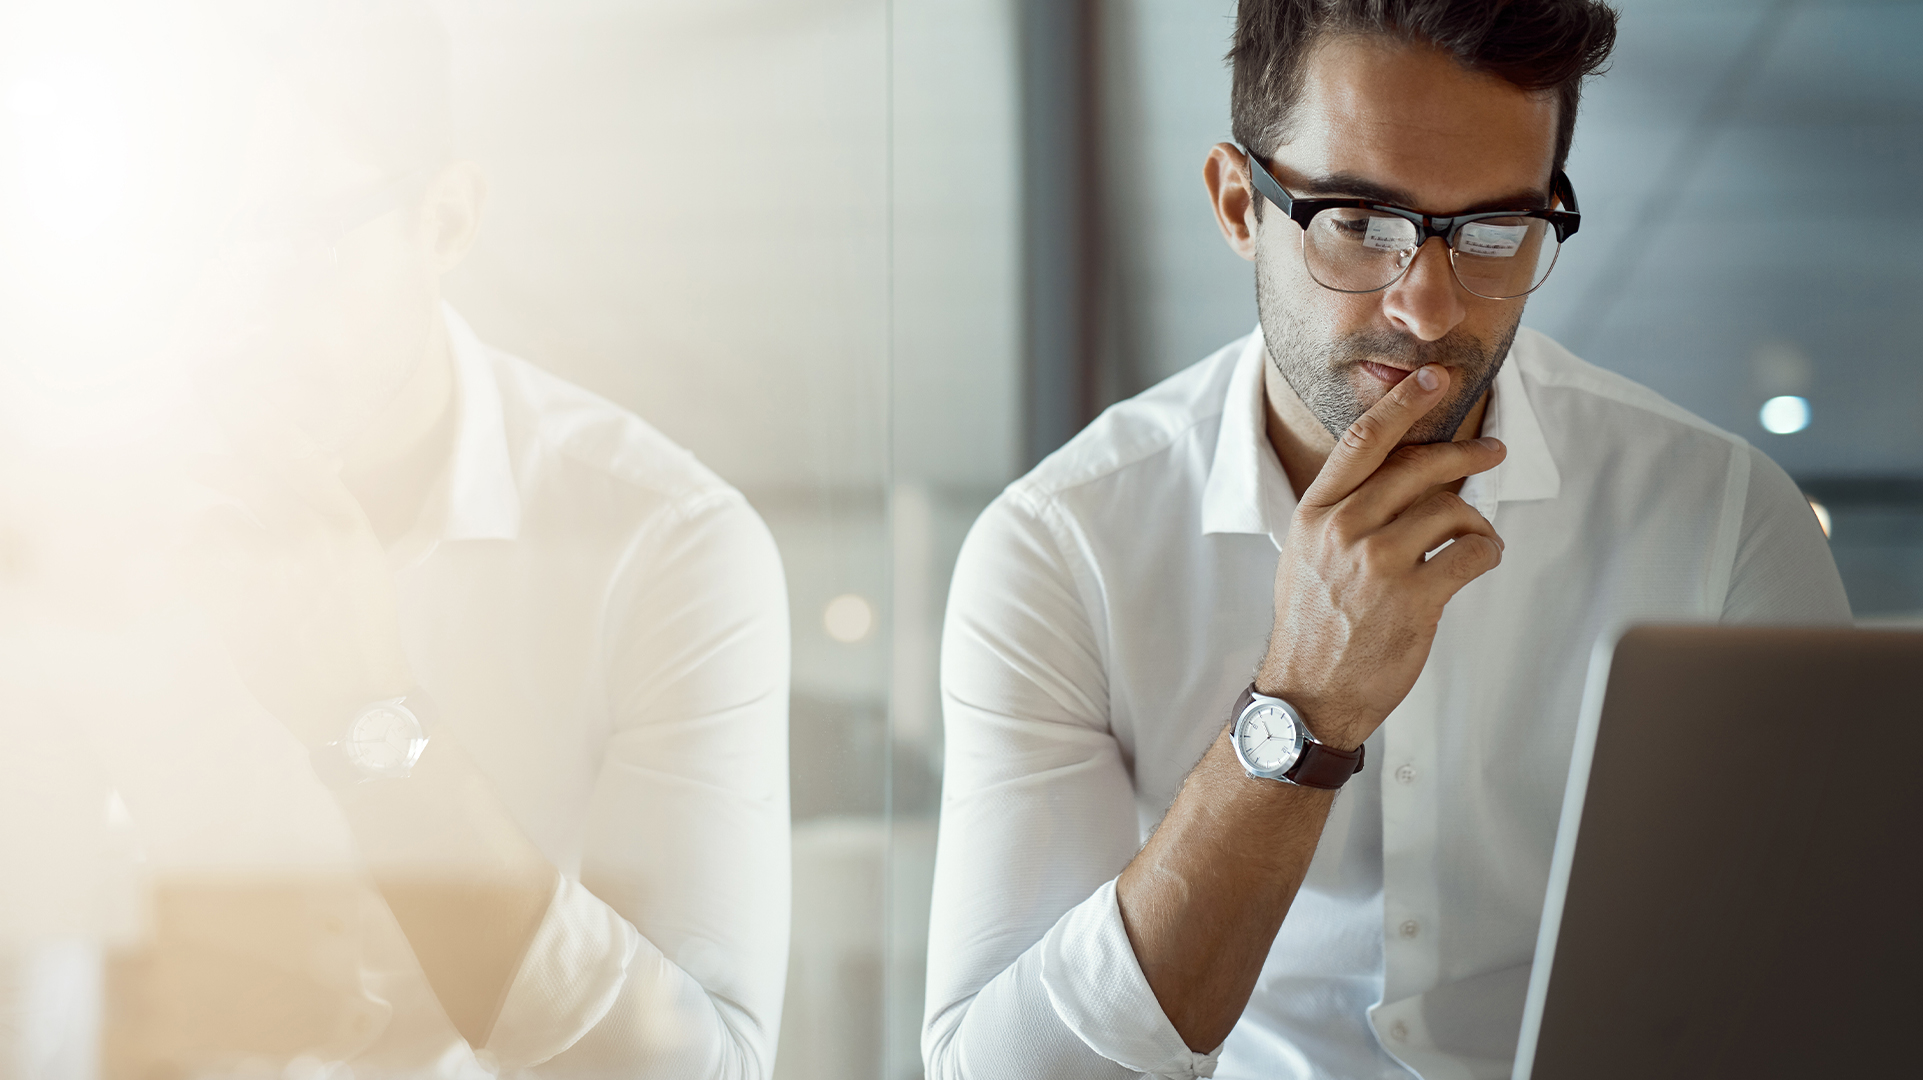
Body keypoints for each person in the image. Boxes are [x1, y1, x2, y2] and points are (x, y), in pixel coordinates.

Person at [922, 2, 1849, 1078]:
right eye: (1360, 223)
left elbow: (1824, 996)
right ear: (1237, 203)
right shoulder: (1061, 548)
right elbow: (1000, 1067)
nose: (1426, 304)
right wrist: (1300, 712)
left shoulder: (1721, 520)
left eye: (1497, 229)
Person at [72, 4, 791, 1075]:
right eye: (183, 251)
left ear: (445, 220)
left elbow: (709, 1066)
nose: (224, 317)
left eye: (289, 240)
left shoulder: (665, 549)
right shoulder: (65, 528)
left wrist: (370, 721)